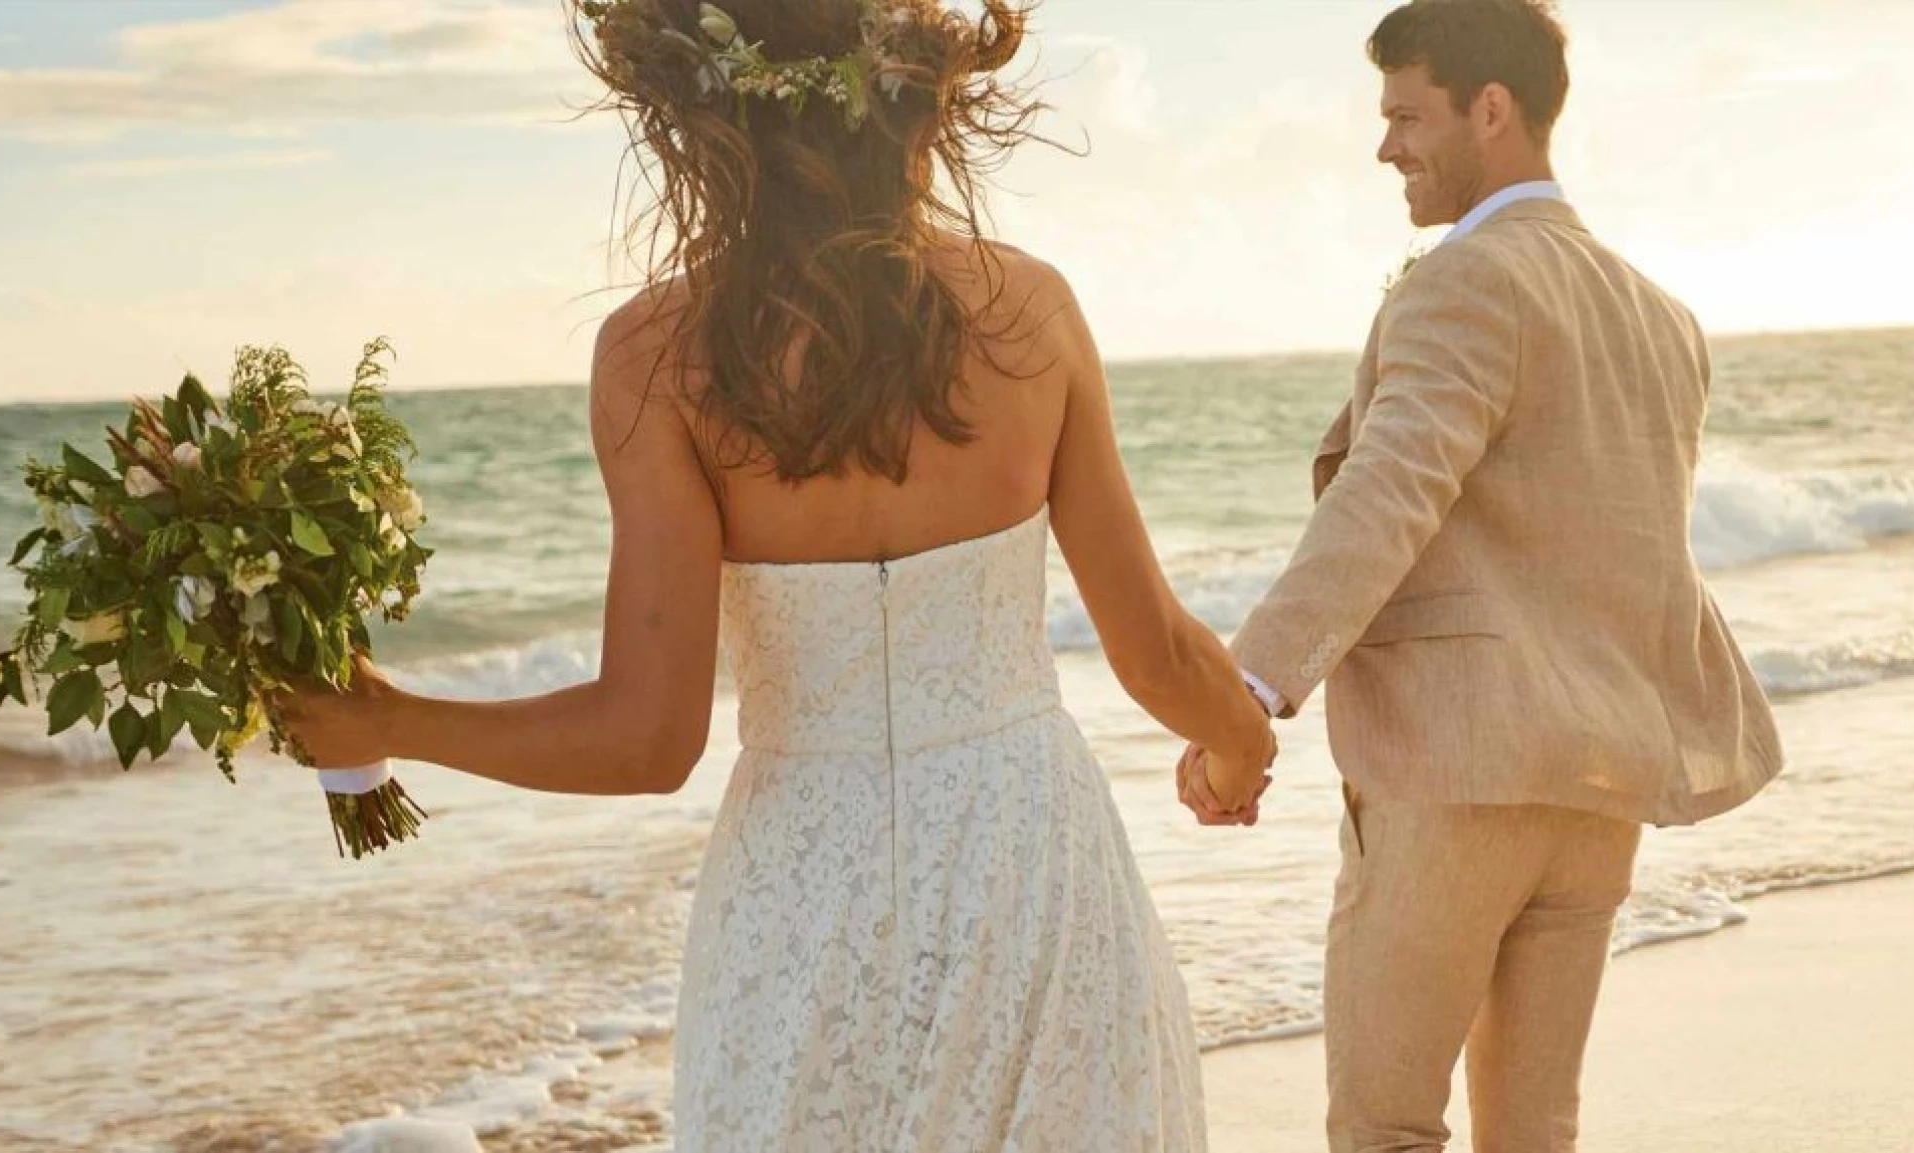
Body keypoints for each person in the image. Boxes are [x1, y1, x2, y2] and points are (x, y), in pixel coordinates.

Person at [280, 1, 1275, 1148]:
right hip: (1028, 867)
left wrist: (389, 718)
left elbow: (645, 740)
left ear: (701, 124)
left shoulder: (656, 357)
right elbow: (1154, 652)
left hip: (803, 891)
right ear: (906, 103)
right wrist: (1238, 742)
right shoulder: (1027, 312)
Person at [1180, 2, 1783, 1149]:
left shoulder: (1464, 282)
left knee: (1383, 1125)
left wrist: (1245, 694)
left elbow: (1385, 494)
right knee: (1533, 1129)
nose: (1386, 146)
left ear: (1490, 111)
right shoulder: (1664, 317)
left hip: (1456, 778)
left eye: (1407, 115)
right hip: (1599, 783)